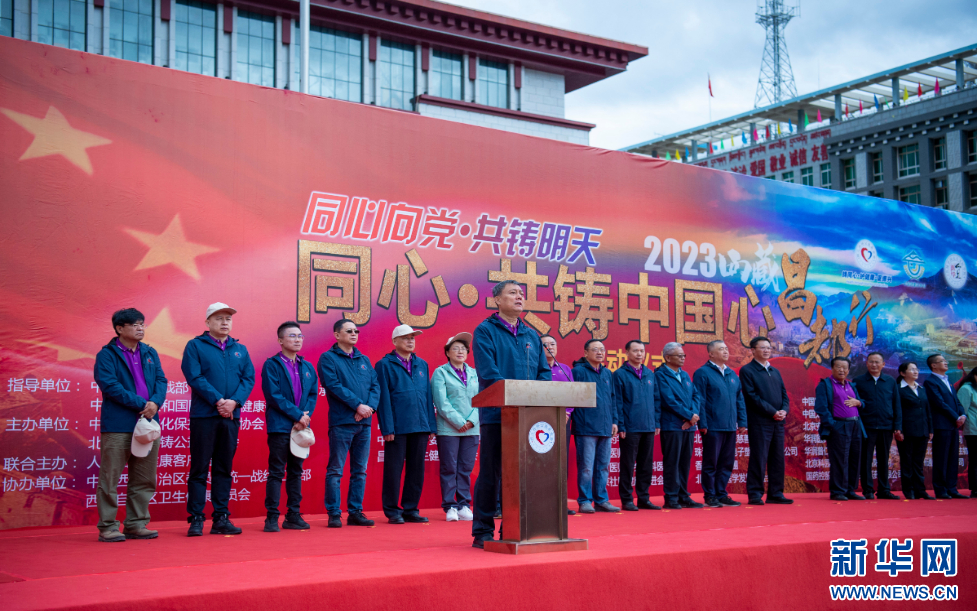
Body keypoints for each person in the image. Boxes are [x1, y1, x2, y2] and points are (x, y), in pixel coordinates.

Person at [470, 280, 551, 548]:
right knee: (491, 474)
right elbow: (489, 373)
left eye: (521, 294)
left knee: (521, 475)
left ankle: (514, 528)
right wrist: (515, 397)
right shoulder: (485, 330)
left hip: (528, 418)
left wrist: (538, 399)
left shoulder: (531, 335)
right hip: (498, 415)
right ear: (497, 299)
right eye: (513, 293)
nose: (519, 297)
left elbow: (543, 372)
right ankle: (482, 531)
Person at [92, 308, 167, 542]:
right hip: (119, 424)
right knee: (110, 478)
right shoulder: (107, 355)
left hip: (148, 423)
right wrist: (143, 404)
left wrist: (155, 403)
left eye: (142, 324)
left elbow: (162, 380)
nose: (140, 328)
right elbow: (110, 386)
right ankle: (108, 526)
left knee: (144, 477)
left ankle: (136, 523)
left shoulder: (150, 352)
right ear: (119, 328)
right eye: (135, 324)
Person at [182, 302, 255, 536]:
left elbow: (248, 379)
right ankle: (196, 518)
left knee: (224, 468)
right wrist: (218, 401)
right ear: (207, 322)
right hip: (204, 416)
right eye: (219, 318)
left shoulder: (240, 349)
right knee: (200, 468)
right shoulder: (195, 346)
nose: (225, 322)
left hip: (231, 416)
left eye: (228, 318)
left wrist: (234, 402)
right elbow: (194, 376)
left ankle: (221, 517)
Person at [318, 319, 379, 528]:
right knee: (336, 470)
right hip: (342, 422)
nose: (354, 334)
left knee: (360, 470)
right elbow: (333, 385)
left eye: (356, 331)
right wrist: (357, 406)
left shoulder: (364, 359)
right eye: (349, 331)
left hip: (364, 423)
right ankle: (334, 513)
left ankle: (355, 512)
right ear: (337, 335)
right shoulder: (328, 358)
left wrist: (368, 408)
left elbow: (375, 386)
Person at [260, 322, 318, 532]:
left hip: (300, 427)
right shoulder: (272, 365)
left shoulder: (307, 366)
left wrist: (304, 417)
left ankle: (293, 515)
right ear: (280, 340)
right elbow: (273, 395)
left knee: (296, 471)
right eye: (292, 336)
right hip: (280, 426)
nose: (297, 339)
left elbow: (312, 394)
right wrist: (297, 415)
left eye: (300, 336)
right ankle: (271, 517)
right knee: (276, 472)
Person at [375, 324, 436, 524]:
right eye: (405, 338)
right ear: (395, 341)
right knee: (393, 470)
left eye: (412, 338)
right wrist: (387, 427)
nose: (410, 341)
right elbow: (383, 398)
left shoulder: (422, 364)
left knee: (416, 470)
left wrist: (431, 425)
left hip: (420, 425)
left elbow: (427, 397)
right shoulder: (384, 365)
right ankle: (392, 510)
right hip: (397, 427)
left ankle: (411, 509)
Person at [739, 336, 793, 505]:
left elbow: (784, 394)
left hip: (778, 422)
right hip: (760, 421)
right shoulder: (747, 370)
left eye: (768, 347)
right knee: (759, 457)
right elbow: (751, 396)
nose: (766, 350)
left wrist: (784, 410)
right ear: (753, 350)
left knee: (777, 458)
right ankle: (755, 493)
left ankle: (776, 493)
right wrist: (772, 412)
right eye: (762, 347)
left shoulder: (774, 371)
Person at [693, 340, 747, 508]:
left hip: (730, 426)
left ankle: (721, 493)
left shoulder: (732, 374)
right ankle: (710, 495)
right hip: (712, 426)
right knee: (711, 462)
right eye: (721, 349)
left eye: (726, 349)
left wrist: (742, 421)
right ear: (711, 354)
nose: (725, 351)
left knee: (726, 462)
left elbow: (739, 399)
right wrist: (702, 423)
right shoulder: (703, 373)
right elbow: (699, 399)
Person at [432, 333, 480, 522]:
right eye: (455, 348)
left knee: (465, 468)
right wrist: (460, 422)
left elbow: (481, 399)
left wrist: (471, 421)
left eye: (463, 349)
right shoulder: (441, 373)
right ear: (447, 352)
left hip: (472, 428)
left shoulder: (475, 373)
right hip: (449, 429)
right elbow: (441, 402)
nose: (460, 351)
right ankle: (450, 506)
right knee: (449, 467)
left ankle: (464, 505)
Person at [571, 340, 620, 514]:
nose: (600, 353)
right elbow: (572, 398)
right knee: (586, 466)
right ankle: (585, 500)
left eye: (602, 349)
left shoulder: (607, 373)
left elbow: (613, 398)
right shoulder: (578, 371)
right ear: (586, 353)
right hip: (586, 427)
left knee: (603, 466)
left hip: (606, 426)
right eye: (595, 349)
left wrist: (614, 421)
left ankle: (601, 500)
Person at [614, 340, 660, 511]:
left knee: (646, 465)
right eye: (635, 351)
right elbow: (617, 402)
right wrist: (621, 425)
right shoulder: (620, 374)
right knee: (627, 465)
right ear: (627, 353)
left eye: (642, 351)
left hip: (648, 426)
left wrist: (656, 422)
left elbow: (656, 400)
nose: (639, 354)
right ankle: (627, 499)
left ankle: (643, 498)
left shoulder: (650, 374)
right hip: (630, 427)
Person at [655, 342, 702, 510]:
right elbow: (668, 400)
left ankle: (683, 495)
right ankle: (671, 497)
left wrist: (693, 417)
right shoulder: (660, 375)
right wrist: (688, 416)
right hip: (672, 425)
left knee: (684, 462)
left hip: (689, 426)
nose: (682, 358)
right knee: (672, 462)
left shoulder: (685, 374)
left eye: (683, 355)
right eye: (679, 355)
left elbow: (696, 395)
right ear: (667, 358)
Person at [814, 357, 866, 501]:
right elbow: (821, 407)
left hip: (855, 425)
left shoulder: (851, 385)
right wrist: (833, 425)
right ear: (832, 368)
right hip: (839, 425)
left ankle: (850, 490)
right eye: (838, 367)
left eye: (845, 367)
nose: (842, 370)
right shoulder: (825, 385)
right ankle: (837, 491)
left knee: (854, 458)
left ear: (849, 370)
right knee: (839, 459)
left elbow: (862, 403)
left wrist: (859, 403)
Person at [852, 352, 902, 500]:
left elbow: (896, 404)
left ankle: (884, 490)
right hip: (866, 427)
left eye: (877, 362)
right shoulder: (858, 381)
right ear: (866, 363)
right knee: (866, 459)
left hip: (886, 426)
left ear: (883, 364)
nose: (874, 365)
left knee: (884, 459)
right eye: (871, 362)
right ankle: (868, 490)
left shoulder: (890, 381)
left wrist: (897, 425)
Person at [923, 354, 968, 499]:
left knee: (952, 458)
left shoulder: (947, 381)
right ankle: (941, 489)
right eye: (942, 361)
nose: (946, 363)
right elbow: (939, 403)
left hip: (953, 425)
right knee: (941, 458)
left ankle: (952, 488)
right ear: (933, 365)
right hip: (941, 425)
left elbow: (956, 402)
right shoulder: (930, 382)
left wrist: (962, 415)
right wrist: (956, 417)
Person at [542, 334, 576, 515]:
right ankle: (541, 502)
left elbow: (573, 393)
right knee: (542, 462)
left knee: (561, 462)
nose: (550, 347)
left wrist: (567, 412)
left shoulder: (565, 369)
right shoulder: (534, 368)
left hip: (563, 420)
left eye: (553, 344)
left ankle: (561, 503)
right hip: (540, 422)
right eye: (545, 344)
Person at [895, 362, 933, 500]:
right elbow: (897, 411)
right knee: (907, 461)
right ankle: (909, 490)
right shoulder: (898, 389)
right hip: (907, 431)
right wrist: (898, 429)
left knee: (918, 462)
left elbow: (927, 410)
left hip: (922, 430)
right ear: (902, 373)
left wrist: (930, 429)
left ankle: (920, 490)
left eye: (916, 369)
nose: (916, 372)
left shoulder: (921, 388)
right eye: (912, 369)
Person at [957, 367, 977, 498]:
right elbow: (961, 410)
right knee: (975, 460)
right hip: (973, 429)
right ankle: (975, 488)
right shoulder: (966, 389)